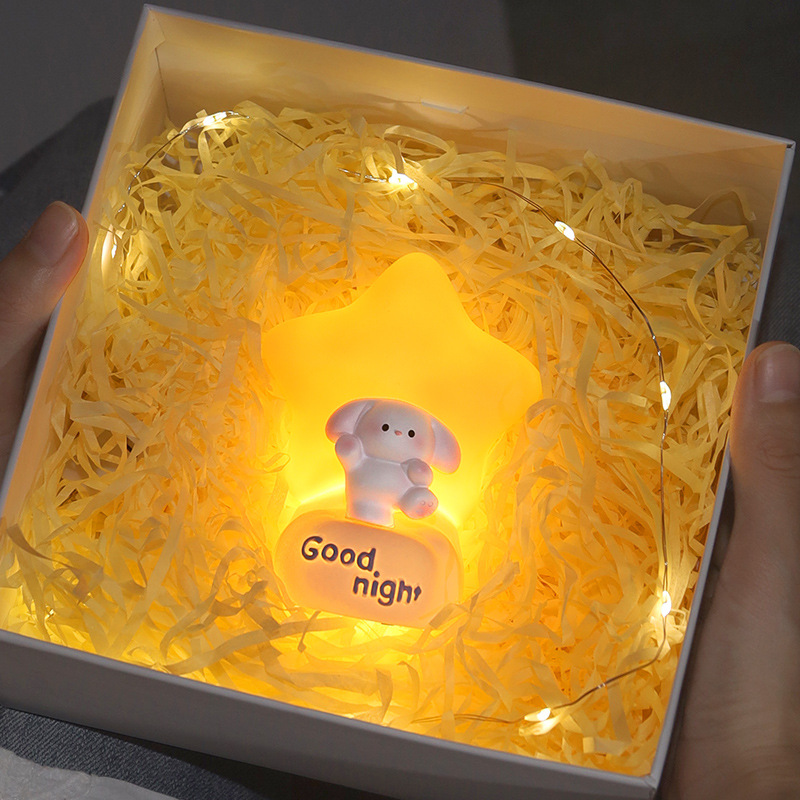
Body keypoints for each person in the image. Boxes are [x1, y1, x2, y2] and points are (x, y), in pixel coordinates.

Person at [1, 204, 798, 798]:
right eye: (387, 425)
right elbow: (345, 434)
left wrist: (420, 489)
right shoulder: (352, 441)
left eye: (408, 431)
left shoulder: (429, 457)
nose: (396, 432)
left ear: (430, 439)